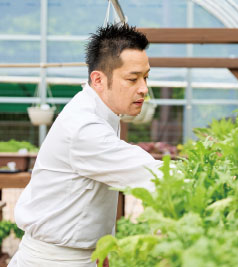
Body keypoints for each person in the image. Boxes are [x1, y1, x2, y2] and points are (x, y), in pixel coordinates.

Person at [8, 24, 163, 267]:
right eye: (133, 78)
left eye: (146, 77)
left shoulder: (98, 112)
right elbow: (148, 174)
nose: (144, 88)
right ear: (98, 79)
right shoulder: (84, 127)